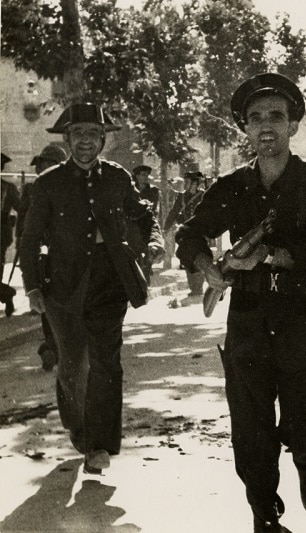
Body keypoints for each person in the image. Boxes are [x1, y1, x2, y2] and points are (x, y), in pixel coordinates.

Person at [175, 73, 306, 533]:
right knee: (250, 434)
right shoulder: (232, 186)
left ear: (293, 125)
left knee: (299, 423)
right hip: (248, 322)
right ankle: (264, 517)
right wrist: (206, 265)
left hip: (301, 320)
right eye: (255, 119)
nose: (265, 126)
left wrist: (267, 255)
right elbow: (189, 232)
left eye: (276, 117)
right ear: (244, 129)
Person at [19, 103, 164, 474]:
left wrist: (153, 242)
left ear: (103, 140)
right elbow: (30, 238)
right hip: (61, 286)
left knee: (106, 362)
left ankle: (98, 445)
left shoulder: (117, 177)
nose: (86, 141)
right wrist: (33, 287)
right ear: (67, 139)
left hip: (109, 280)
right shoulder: (48, 183)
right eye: (79, 134)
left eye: (93, 134)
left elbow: (145, 214)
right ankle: (80, 431)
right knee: (72, 365)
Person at [19, 144, 69, 369]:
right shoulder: (32, 189)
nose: (40, 168)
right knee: (48, 302)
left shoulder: (73, 187)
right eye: (39, 165)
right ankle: (51, 346)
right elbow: (24, 226)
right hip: (44, 257)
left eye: (44, 164)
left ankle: (55, 347)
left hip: (69, 256)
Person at [164, 167, 205, 295]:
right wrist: (166, 226)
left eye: (188, 182)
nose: (186, 185)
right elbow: (174, 211)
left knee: (200, 258)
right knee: (187, 259)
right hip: (186, 232)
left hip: (201, 232)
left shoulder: (204, 195)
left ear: (195, 183)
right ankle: (193, 287)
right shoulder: (182, 197)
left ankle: (198, 287)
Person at [128, 164, 161, 284]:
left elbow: (156, 208)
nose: (145, 177)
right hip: (133, 224)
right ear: (136, 176)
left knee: (148, 250)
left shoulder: (153, 190)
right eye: (142, 175)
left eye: (147, 175)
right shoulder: (130, 189)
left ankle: (146, 277)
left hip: (147, 222)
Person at [1, 152, 21, 316]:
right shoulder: (9, 187)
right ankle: (7, 295)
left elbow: (21, 208)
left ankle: (7, 295)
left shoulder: (8, 188)